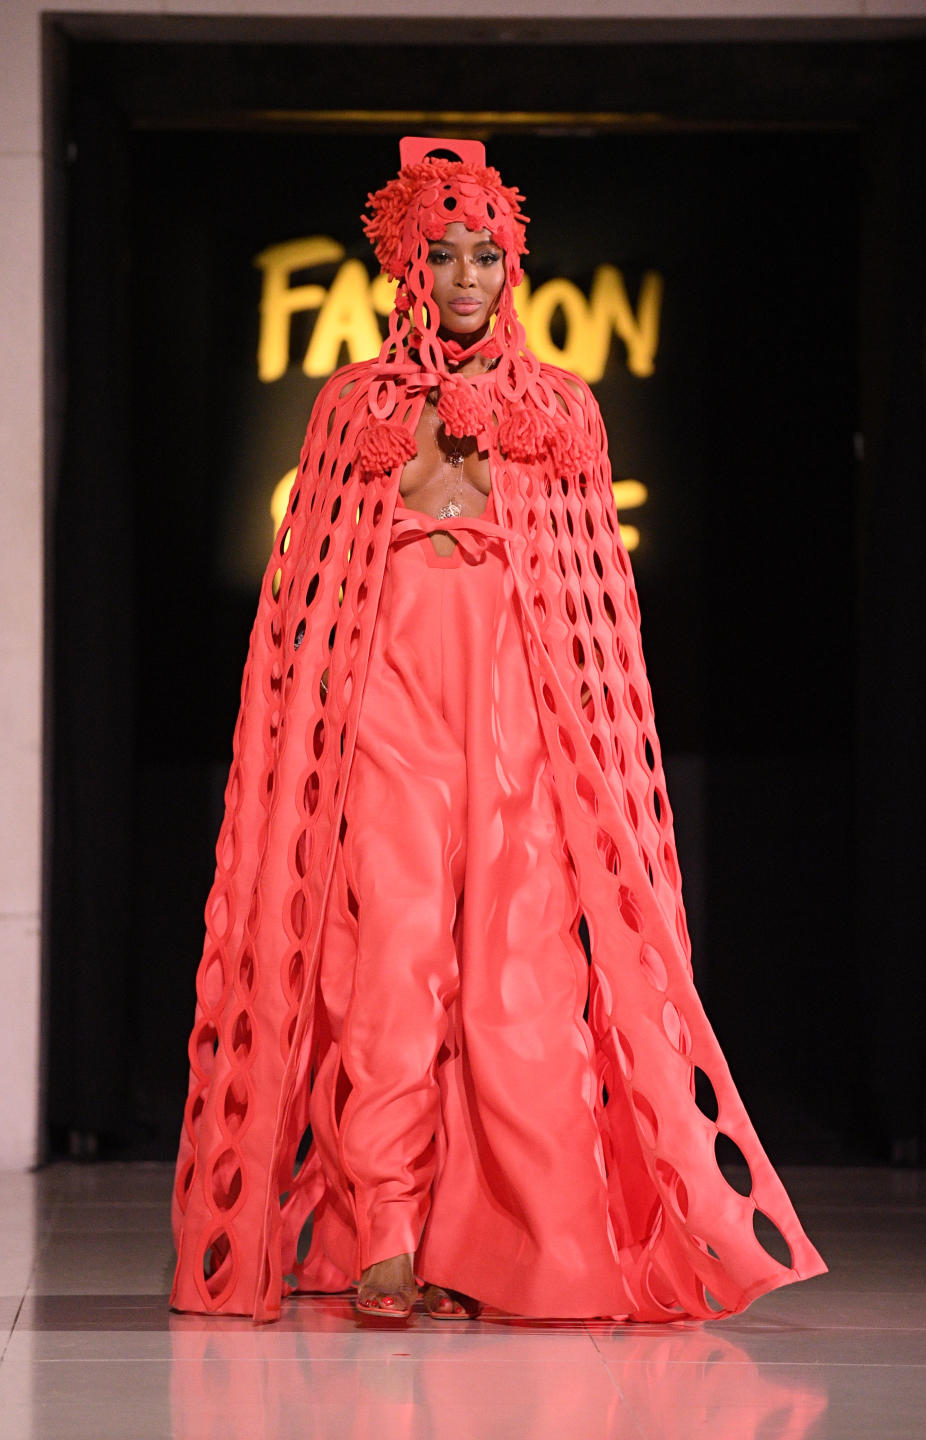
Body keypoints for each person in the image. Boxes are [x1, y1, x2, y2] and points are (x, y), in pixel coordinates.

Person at [169, 136, 826, 1324]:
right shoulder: (355, 409)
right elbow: (302, 601)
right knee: (392, 968)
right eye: (444, 253)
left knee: (519, 984)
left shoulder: (559, 410)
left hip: (519, 719)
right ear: (406, 268)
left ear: (511, 266)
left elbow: (595, 611)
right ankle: (385, 1235)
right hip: (391, 715)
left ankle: (523, 1243)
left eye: (487, 253)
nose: (466, 275)